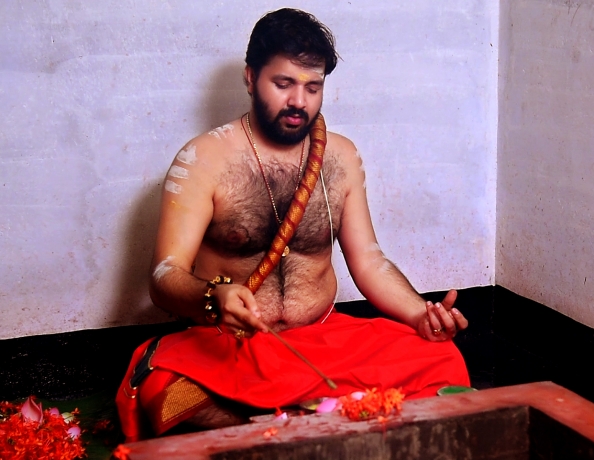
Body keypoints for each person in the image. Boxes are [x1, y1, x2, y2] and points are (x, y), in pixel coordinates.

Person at [116, 8, 469, 442]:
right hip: (232, 347)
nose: (299, 101)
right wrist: (213, 296)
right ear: (251, 78)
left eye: (312, 87)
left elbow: (369, 261)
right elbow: (163, 275)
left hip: (323, 341)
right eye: (283, 84)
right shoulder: (203, 160)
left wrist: (421, 313)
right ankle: (314, 426)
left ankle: (281, 428)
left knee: (442, 358)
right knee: (163, 388)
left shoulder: (341, 157)